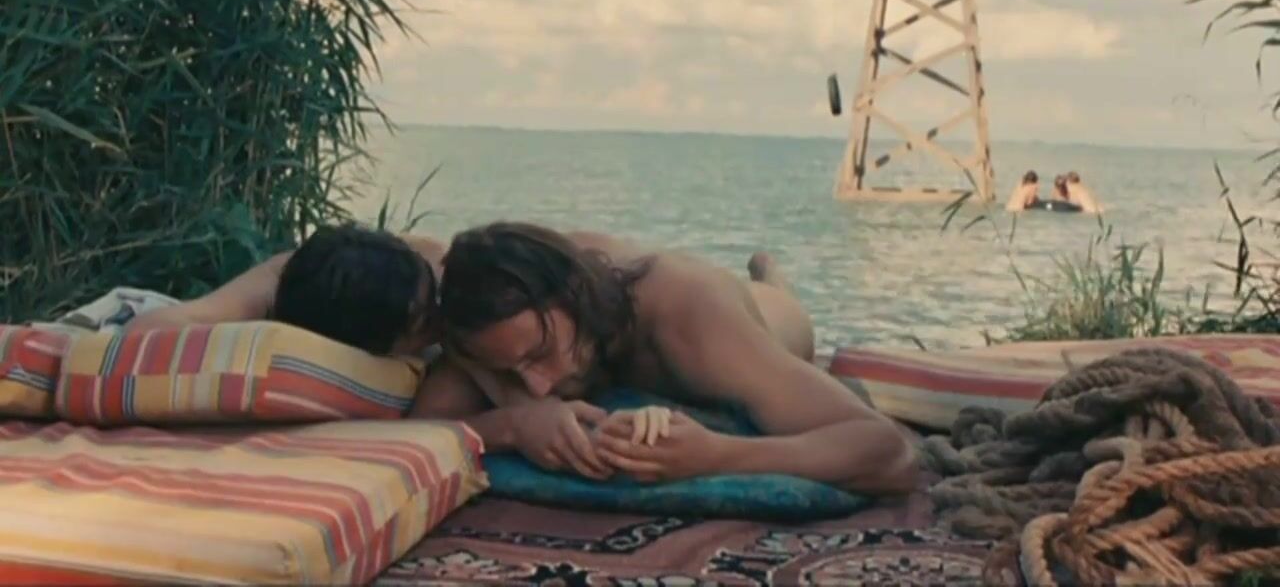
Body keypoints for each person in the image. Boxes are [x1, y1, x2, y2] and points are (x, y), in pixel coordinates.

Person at [411, 221, 919, 495]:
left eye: (541, 355)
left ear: (576, 295)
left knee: (777, 313)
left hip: (770, 321)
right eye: (511, 372)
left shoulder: (687, 317)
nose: (538, 387)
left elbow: (889, 453)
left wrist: (716, 456)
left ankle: (772, 277)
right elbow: (416, 429)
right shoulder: (497, 321)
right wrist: (513, 424)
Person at [126, 223, 446, 357]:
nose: (443, 317)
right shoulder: (270, 291)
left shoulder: (433, 265)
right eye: (425, 322)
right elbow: (142, 334)